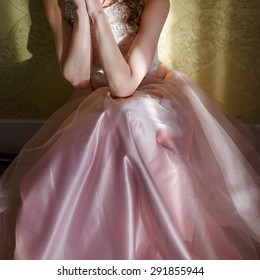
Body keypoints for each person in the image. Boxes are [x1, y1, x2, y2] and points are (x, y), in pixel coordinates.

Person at [0, 0, 260, 260]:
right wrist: (81, 10)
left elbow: (124, 87)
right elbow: (77, 78)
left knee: (128, 118)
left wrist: (97, 14)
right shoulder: (56, 2)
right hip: (98, 99)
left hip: (149, 96)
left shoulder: (154, 3)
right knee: (111, 123)